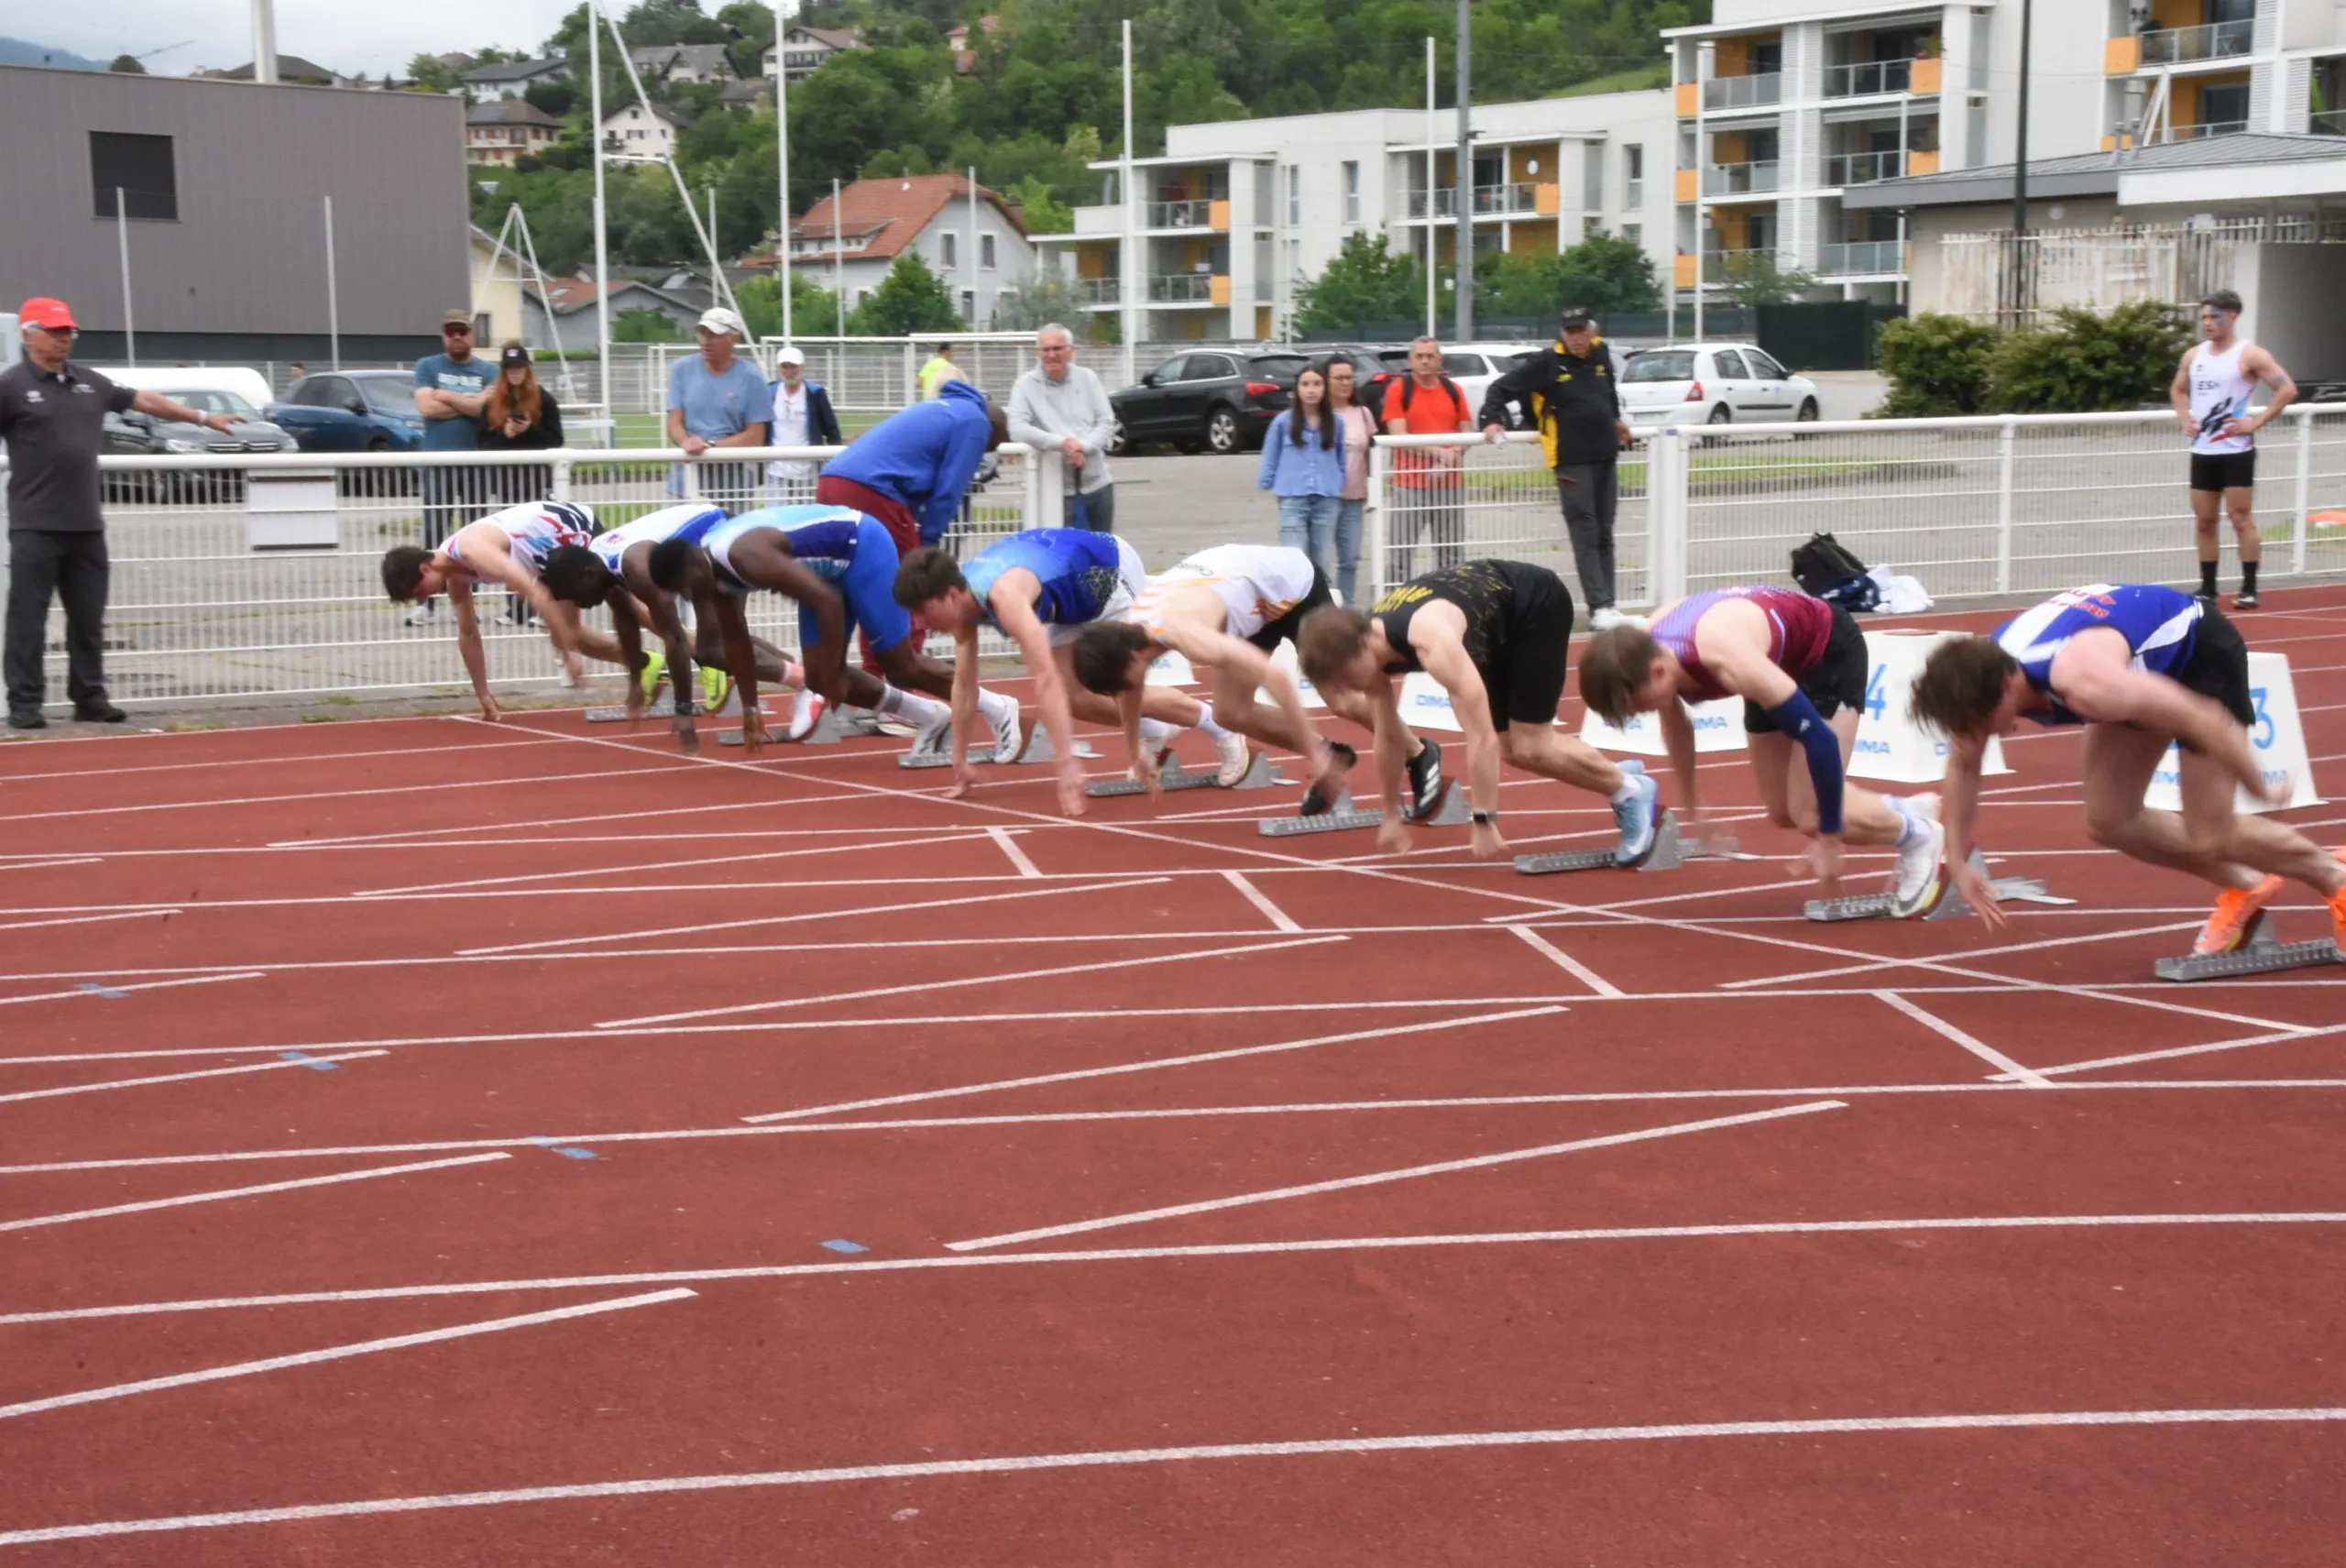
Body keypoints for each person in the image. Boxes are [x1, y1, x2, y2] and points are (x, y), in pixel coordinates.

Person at [1912, 583, 2346, 953]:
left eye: (1980, 724)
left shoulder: (2088, 684)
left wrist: (2258, 785)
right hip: (2131, 662)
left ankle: (2335, 877)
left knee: (2211, 833)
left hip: (2196, 658)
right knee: (2110, 820)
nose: (1980, 735)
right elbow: (1963, 767)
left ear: (2007, 688)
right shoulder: (1976, 682)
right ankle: (2248, 883)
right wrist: (1956, 860)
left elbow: (2200, 719)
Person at [1578, 585, 1946, 910]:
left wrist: (1832, 838)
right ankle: (1898, 810)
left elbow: (1819, 738)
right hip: (1773, 659)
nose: (1642, 713)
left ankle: (1919, 838)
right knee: (1782, 811)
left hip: (1825, 652)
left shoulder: (1724, 659)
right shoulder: (1649, 650)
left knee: (1810, 813)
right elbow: (1677, 726)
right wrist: (1692, 804)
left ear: (1658, 672)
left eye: (1639, 705)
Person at [1297, 560, 1661, 862]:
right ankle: (1604, 772)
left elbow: (1479, 734)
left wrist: (1484, 818)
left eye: (1344, 677)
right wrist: (1390, 815)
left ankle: (1629, 790)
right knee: (1513, 748)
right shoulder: (1370, 648)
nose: (1346, 689)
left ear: (1363, 645)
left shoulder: (1431, 641)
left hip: (1534, 606)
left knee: (1528, 744)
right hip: (1490, 623)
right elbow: (1388, 736)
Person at [0, 297, 239, 729]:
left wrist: (202, 416)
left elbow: (142, 401)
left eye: (68, 331)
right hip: (34, 524)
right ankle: (25, 703)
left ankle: (90, 696)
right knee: (28, 620)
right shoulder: (11, 386)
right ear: (28, 334)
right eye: (54, 331)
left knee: (89, 618)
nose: (63, 339)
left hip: (86, 524)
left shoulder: (90, 382)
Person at [894, 529, 1244, 814]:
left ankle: (1220, 728)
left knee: (1120, 680)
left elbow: (1044, 679)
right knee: (1074, 697)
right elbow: (965, 685)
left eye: (924, 611)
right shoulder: (963, 602)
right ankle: (1153, 728)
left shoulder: (1006, 598)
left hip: (1110, 575)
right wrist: (959, 762)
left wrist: (1066, 764)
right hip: (1068, 599)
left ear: (951, 596)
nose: (920, 622)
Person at [650, 504, 1022, 760]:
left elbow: (826, 601)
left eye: (685, 587)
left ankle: (998, 707)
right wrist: (750, 707)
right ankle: (929, 715)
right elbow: (736, 642)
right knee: (820, 679)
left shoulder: (746, 557)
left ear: (692, 566)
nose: (688, 596)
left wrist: (837, 671)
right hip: (824, 576)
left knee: (900, 666)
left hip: (861, 547)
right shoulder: (712, 580)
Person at [1069, 543, 1401, 815]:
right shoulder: (1130, 634)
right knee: (1229, 712)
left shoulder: (1189, 635)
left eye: (1122, 682)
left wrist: (1314, 759)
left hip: (1293, 589)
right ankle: (1333, 754)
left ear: (1131, 660)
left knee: (1340, 699)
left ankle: (1416, 753)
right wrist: (1135, 755)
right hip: (1249, 602)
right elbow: (1129, 693)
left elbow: (1276, 677)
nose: (1127, 690)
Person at [541, 500, 804, 752]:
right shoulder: (600, 564)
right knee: (722, 643)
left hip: (721, 536)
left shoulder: (638, 570)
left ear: (587, 575)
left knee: (712, 651)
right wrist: (635, 683)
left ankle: (810, 682)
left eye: (575, 595)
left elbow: (675, 640)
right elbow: (626, 624)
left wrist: (684, 709)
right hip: (700, 545)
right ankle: (807, 675)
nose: (579, 604)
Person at [378, 499, 630, 722]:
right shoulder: (456, 576)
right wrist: (483, 694)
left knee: (608, 606)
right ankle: (649, 662)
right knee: (567, 631)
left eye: (419, 592)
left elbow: (535, 594)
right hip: (547, 555)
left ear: (424, 570)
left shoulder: (474, 551)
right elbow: (468, 634)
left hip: (572, 529)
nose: (424, 598)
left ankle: (658, 655)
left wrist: (567, 654)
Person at [819, 379, 1008, 676]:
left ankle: (840, 681)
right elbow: (949, 491)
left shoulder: (940, 408)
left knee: (857, 586)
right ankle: (901, 688)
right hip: (872, 490)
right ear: (991, 432)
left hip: (832, 480)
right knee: (915, 588)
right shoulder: (976, 423)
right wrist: (927, 543)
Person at [1480, 305, 1635, 631]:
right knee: (1586, 530)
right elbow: (1499, 389)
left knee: (1605, 531)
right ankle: (1599, 606)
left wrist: (1616, 420)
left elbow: (1608, 394)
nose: (1577, 338)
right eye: (1571, 331)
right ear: (1563, 333)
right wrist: (1491, 420)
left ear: (1592, 330)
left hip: (1605, 454)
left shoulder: (1601, 354)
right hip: (1570, 458)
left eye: (1582, 331)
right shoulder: (1547, 362)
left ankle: (1610, 603)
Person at [2172, 289, 2295, 611]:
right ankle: (2208, 588)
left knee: (2240, 517)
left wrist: (2255, 423)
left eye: (2215, 317)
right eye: (2205, 318)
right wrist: (2185, 417)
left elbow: (2286, 389)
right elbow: (2178, 389)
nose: (2209, 323)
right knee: (2204, 520)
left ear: (2232, 316)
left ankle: (2249, 586)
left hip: (2236, 450)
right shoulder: (2193, 355)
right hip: (2203, 450)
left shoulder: (2250, 355)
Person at [411, 309, 494, 622]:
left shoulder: (488, 369)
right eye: (451, 331)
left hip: (475, 462)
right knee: (434, 530)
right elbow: (426, 408)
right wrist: (468, 404)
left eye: (462, 330)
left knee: (474, 535)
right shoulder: (427, 366)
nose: (457, 336)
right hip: (438, 460)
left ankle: (469, 603)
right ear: (444, 335)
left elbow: (483, 409)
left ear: (471, 334)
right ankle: (426, 600)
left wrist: (445, 395)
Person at [1379, 337, 1474, 580]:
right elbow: (1398, 434)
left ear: (1439, 360)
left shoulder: (1454, 390)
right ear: (1410, 360)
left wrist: (1451, 455)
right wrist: (1437, 452)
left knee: (1451, 553)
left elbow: (1467, 431)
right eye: (1419, 356)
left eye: (1430, 356)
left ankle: (1450, 603)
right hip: (1409, 484)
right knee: (1401, 551)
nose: (1424, 361)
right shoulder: (1398, 390)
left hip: (1450, 484)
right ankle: (1394, 608)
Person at [1006, 324, 1117, 532]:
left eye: (1058, 349)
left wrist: (1082, 448)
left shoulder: (1088, 378)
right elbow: (1017, 428)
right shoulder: (1025, 385)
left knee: (1101, 553)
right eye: (1045, 350)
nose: (1051, 355)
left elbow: (1106, 421)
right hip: (1053, 490)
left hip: (1097, 483)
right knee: (1062, 557)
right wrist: (1062, 444)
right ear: (1038, 352)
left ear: (1070, 350)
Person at [666, 306, 773, 512]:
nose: (706, 341)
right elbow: (674, 420)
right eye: (703, 333)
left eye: (714, 334)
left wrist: (711, 447)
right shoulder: (681, 369)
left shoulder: (752, 378)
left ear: (734, 339)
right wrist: (686, 442)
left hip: (732, 487)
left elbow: (755, 435)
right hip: (683, 481)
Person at [476, 343, 565, 571]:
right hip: (505, 483)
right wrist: (505, 435)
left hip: (536, 482)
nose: (515, 372)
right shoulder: (491, 402)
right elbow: (482, 443)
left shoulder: (544, 399)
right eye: (510, 368)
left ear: (528, 369)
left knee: (537, 540)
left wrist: (529, 429)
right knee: (510, 542)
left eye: (519, 367)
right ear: (504, 371)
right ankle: (514, 601)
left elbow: (556, 440)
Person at [1258, 362, 1345, 586]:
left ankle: (1319, 611)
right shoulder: (1282, 422)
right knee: (1294, 558)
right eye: (1305, 384)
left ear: (1325, 388)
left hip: (1327, 499)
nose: (1311, 390)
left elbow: (1341, 458)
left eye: (1317, 384)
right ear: (1297, 389)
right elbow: (1271, 455)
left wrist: (1339, 481)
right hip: (1293, 499)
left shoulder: (1337, 422)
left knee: (1322, 560)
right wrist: (1267, 481)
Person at [1325, 354, 1376, 606]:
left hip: (1353, 499)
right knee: (1320, 560)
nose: (1345, 383)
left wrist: (1371, 487)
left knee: (1350, 559)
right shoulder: (1316, 413)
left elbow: (1371, 453)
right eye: (1339, 378)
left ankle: (1346, 608)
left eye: (1349, 377)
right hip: (1322, 498)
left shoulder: (1363, 413)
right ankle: (1321, 609)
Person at [765, 345, 842, 504]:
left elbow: (831, 429)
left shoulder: (815, 393)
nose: (789, 371)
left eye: (793, 366)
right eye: (785, 367)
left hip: (807, 470)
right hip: (776, 469)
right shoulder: (770, 392)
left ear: (802, 367)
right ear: (779, 369)